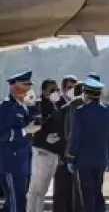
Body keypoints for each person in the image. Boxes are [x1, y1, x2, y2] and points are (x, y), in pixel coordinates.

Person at [65, 78, 109, 212]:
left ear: (85, 94)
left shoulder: (80, 112)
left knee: (87, 194)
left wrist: (71, 157)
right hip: (101, 158)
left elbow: (75, 137)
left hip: (84, 159)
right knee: (98, 191)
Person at [0, 71, 41, 212]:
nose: (28, 89)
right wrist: (25, 130)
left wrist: (33, 105)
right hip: (11, 162)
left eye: (29, 86)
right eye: (25, 85)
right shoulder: (6, 107)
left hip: (23, 161)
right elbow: (3, 134)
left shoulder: (23, 106)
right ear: (14, 86)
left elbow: (36, 121)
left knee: (17, 202)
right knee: (16, 203)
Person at [27, 79, 64, 212]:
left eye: (57, 89)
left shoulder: (58, 105)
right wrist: (44, 137)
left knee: (43, 189)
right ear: (44, 91)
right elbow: (32, 128)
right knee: (36, 188)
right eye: (52, 90)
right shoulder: (38, 106)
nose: (55, 92)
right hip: (42, 150)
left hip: (54, 152)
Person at [53, 80, 85, 212]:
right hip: (66, 155)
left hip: (72, 154)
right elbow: (63, 133)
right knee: (65, 190)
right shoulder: (64, 107)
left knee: (75, 191)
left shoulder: (72, 107)